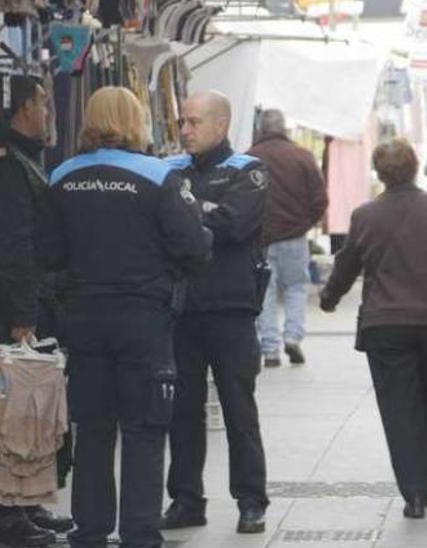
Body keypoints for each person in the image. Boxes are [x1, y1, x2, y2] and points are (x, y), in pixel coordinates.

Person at [41, 87, 212, 548]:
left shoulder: (61, 176)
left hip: (83, 319)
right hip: (143, 320)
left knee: (94, 428)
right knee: (144, 428)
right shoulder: (158, 176)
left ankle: (90, 531)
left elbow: (49, 251)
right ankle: (139, 533)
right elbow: (193, 247)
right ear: (136, 120)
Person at [319, 139, 427, 519]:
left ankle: (413, 492)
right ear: (415, 167)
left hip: (387, 325)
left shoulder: (366, 216)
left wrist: (329, 298)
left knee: (400, 408)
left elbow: (347, 264)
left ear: (379, 174)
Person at [0, 74, 74, 546]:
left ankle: (22, 505)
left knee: (23, 410)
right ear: (23, 110)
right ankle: (3, 514)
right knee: (11, 413)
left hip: (7, 306)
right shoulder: (6, 168)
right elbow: (12, 247)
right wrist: (22, 314)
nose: (48, 113)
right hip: (8, 312)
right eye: (43, 104)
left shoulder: (12, 162)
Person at [164, 90, 270, 535]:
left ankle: (250, 500)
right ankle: (186, 500)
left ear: (221, 125)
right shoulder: (170, 171)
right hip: (183, 311)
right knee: (182, 413)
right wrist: (199, 214)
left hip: (230, 309)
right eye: (182, 122)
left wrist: (189, 212)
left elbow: (232, 225)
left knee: (237, 409)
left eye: (194, 122)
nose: (185, 130)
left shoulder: (248, 172)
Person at [248, 109, 328, 367]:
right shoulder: (302, 157)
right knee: (296, 288)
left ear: (260, 128)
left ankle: (270, 349)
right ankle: (292, 337)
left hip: (261, 240)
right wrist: (304, 223)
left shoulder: (249, 159)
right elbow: (320, 200)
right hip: (295, 237)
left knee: (265, 292)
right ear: (284, 129)